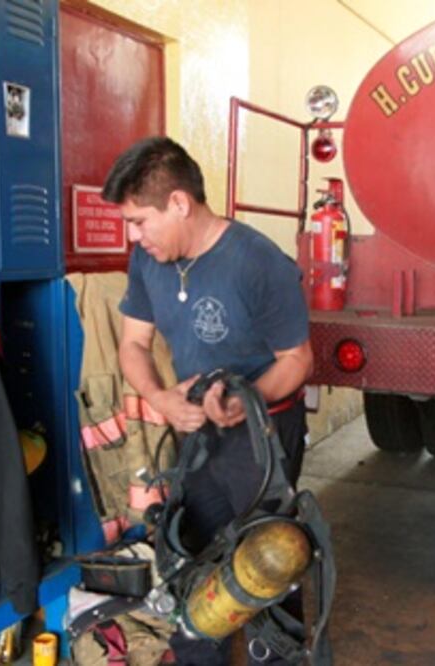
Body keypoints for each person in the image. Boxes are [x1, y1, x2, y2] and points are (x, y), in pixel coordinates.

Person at [104, 136, 314, 665]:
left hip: (263, 436)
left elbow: (297, 359)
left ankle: (278, 657)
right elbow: (133, 344)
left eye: (139, 221)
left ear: (179, 203)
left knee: (268, 561)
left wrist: (248, 401)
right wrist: (161, 398)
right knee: (193, 551)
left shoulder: (258, 262)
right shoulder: (148, 260)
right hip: (199, 434)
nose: (133, 235)